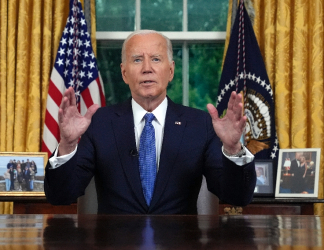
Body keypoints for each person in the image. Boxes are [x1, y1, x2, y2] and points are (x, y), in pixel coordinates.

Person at [44, 30, 256, 214]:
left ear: (171, 70)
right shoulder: (100, 123)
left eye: (156, 59)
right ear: (124, 73)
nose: (147, 68)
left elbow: (237, 197)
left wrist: (233, 148)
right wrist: (67, 146)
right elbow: (60, 197)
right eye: (137, 59)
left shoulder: (200, 124)